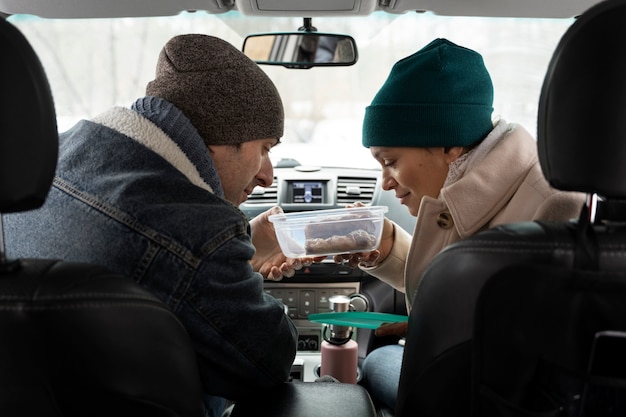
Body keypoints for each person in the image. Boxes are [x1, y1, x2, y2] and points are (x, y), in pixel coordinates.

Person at [3, 34, 300, 417]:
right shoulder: (200, 233)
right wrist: (233, 256)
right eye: (265, 149)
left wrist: (240, 242)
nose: (267, 177)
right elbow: (267, 362)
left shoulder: (45, 165)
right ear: (220, 139)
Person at [340, 38, 586, 411]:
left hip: (491, 398)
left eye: (389, 161)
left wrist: (440, 333)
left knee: (376, 360)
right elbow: (469, 280)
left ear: (447, 145)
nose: (385, 183)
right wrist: (388, 246)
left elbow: (544, 351)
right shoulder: (472, 182)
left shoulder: (555, 202)